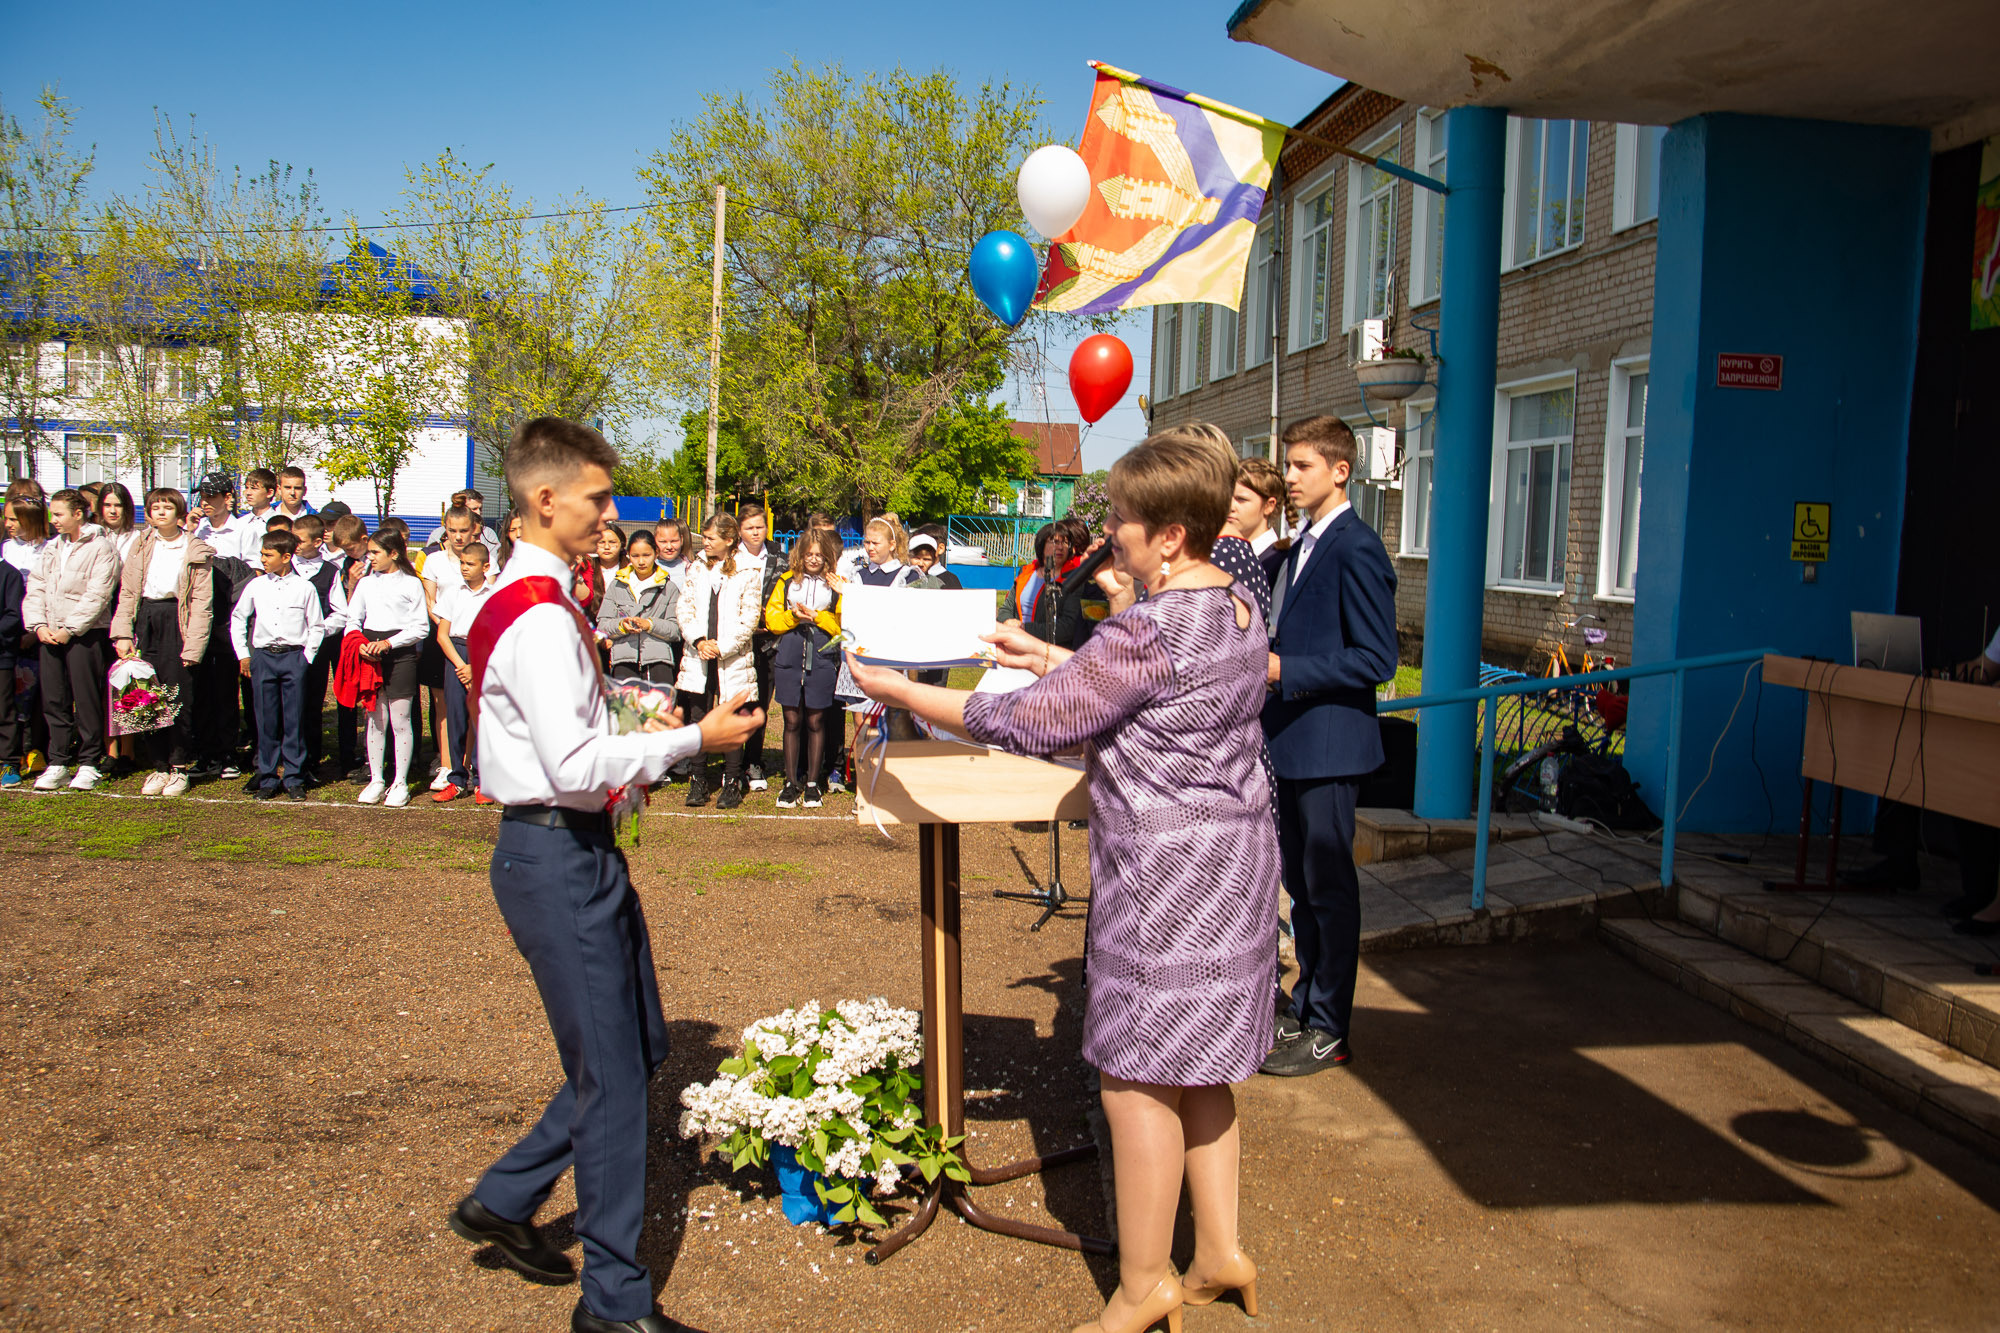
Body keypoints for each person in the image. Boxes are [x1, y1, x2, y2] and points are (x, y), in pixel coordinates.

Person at [847, 433, 1277, 1333]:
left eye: (1121, 519)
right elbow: (1149, 698)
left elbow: (1037, 723)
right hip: (1234, 865)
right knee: (1204, 1065)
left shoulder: (1148, 627)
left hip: (1166, 880)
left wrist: (902, 688)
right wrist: (1045, 654)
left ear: (1168, 536)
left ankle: (1146, 1282)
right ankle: (1222, 1249)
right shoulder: (1238, 607)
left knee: (1135, 1077)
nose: (1108, 534)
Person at [447, 417, 762, 1333]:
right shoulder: (541, 614)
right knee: (615, 1080)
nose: (610, 513)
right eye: (596, 497)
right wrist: (690, 739)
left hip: (569, 849)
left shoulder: (533, 596)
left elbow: (574, 748)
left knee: (641, 1043)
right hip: (555, 849)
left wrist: (639, 736)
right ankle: (614, 1304)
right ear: (545, 501)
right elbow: (578, 763)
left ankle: (505, 1199)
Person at [1259, 415, 1398, 1078]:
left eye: (1301, 466)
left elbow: (1377, 657)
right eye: (1286, 466)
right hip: (1290, 740)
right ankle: (1307, 1003)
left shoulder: (1356, 546)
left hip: (1331, 746)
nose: (1289, 477)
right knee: (1301, 887)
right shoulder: (1303, 544)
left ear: (1340, 470)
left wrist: (1286, 670)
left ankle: (1330, 1027)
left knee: (1329, 887)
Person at [109, 487, 215, 798]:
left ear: (180, 513)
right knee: (144, 694)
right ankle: (159, 765)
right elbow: (128, 592)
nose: (160, 512)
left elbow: (201, 602)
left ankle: (180, 766)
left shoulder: (194, 549)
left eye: (167, 507)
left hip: (177, 622)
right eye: (155, 507)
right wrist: (123, 633)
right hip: (147, 619)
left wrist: (193, 646)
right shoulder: (141, 544)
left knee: (176, 695)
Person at [24, 488, 122, 792]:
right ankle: (58, 761)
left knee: (88, 698)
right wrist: (39, 625)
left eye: (59, 514)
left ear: (78, 514)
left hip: (84, 634)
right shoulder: (52, 548)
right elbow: (36, 587)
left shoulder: (101, 547)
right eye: (52, 514)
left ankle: (89, 761)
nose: (53, 520)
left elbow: (98, 594)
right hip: (49, 633)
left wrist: (70, 628)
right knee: (55, 699)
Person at [675, 512, 762, 810]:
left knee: (731, 719)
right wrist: (699, 641)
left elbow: (749, 618)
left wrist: (721, 647)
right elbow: (684, 608)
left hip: (731, 660)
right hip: (699, 656)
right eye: (703, 536)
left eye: (711, 537)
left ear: (728, 539)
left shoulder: (749, 570)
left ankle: (731, 781)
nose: (705, 542)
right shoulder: (696, 568)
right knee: (698, 719)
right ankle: (697, 780)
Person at [230, 530, 325, 801]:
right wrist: (243, 654)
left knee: (294, 719)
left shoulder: (304, 587)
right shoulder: (257, 585)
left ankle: (294, 777)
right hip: (263, 658)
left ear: (286, 557)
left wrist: (306, 657)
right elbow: (239, 617)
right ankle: (268, 777)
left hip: (293, 657)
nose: (263, 559)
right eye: (262, 554)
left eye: (268, 555)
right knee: (265, 719)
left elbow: (316, 625)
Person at [344, 528, 429, 806]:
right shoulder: (366, 584)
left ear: (394, 553)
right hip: (370, 655)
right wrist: (359, 645)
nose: (370, 557)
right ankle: (377, 780)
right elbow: (352, 619)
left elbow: (420, 627)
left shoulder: (411, 583)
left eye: (376, 552)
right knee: (375, 719)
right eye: (369, 552)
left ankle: (400, 782)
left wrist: (389, 644)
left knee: (400, 720)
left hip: (400, 656)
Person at [764, 527, 844, 808]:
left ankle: (812, 783)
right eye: (808, 554)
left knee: (815, 720)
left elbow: (843, 626)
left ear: (827, 556)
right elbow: (772, 621)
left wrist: (818, 617)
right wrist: (793, 617)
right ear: (800, 554)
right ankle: (790, 782)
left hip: (821, 653)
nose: (813, 559)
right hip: (790, 651)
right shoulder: (786, 581)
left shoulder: (835, 584)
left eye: (819, 554)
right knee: (792, 719)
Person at [422, 506, 483, 792]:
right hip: (450, 644)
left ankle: (481, 775)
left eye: (463, 530)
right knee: (449, 709)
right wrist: (460, 662)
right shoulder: (434, 561)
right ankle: (452, 771)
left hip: (480, 650)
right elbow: (433, 603)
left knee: (481, 715)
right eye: (452, 530)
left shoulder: (487, 573)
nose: (457, 536)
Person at [433, 540, 497, 804]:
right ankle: (457, 779)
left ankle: (484, 782)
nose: (464, 568)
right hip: (456, 657)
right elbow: (442, 635)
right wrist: (462, 666)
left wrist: (475, 667)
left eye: (470, 564)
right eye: (461, 563)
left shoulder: (493, 595)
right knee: (456, 718)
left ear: (485, 567)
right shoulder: (452, 593)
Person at [736, 505, 782, 793]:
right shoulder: (730, 557)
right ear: (739, 531)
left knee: (760, 704)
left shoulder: (780, 557)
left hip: (769, 642)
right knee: (735, 703)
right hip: (737, 642)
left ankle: (753, 761)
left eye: (760, 527)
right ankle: (732, 764)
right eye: (749, 527)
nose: (755, 532)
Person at [291, 515, 339, 785]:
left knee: (311, 704)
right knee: (289, 705)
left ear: (318, 541)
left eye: (300, 540)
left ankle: (311, 760)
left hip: (316, 649)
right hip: (288, 647)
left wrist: (318, 630)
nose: (295, 545)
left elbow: (339, 612)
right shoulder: (286, 567)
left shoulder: (330, 572)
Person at [597, 529, 680, 685]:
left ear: (656, 553)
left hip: (659, 662)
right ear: (628, 555)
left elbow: (675, 630)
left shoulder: (669, 588)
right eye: (635, 556)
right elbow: (602, 624)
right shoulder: (617, 586)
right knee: (626, 708)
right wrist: (622, 626)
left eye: (646, 555)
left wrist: (650, 624)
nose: (641, 562)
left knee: (658, 707)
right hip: (623, 661)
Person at [325, 514, 373, 779]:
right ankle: (348, 753)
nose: (349, 554)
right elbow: (345, 607)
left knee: (373, 699)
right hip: (353, 638)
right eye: (344, 550)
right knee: (347, 696)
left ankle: (374, 756)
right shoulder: (345, 566)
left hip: (376, 636)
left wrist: (358, 583)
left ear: (363, 540)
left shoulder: (378, 562)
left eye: (352, 548)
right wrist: (351, 584)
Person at [1231, 457, 1290, 586]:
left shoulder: (1280, 561)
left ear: (1269, 505)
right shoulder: (1226, 554)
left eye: (1241, 499)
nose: (1231, 507)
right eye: (1227, 497)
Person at [0, 554, 24, 788]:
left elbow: (13, 616)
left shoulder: (10, 575)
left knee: (3, 711)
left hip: (2, 656)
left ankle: (9, 762)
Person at [98, 483, 141, 560]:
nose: (113, 511)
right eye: (107, 505)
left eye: (118, 505)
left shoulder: (138, 538)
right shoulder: (94, 537)